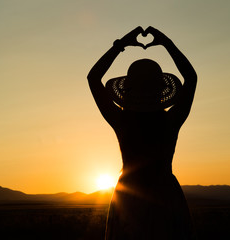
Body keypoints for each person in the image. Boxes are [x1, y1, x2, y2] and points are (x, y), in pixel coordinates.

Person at [87, 26, 197, 239]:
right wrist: (166, 42)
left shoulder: (122, 120)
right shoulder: (170, 120)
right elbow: (191, 78)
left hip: (130, 199)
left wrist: (121, 44)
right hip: (165, 196)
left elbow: (93, 78)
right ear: (160, 91)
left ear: (128, 90)